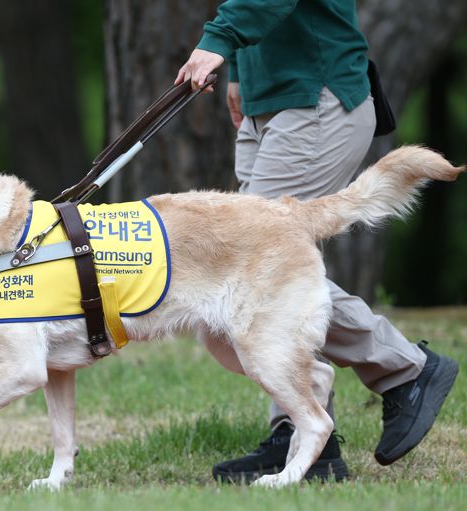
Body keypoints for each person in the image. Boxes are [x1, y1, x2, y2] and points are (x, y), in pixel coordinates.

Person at [175, 0, 459, 482]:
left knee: (250, 276)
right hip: (270, 106)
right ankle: (305, 436)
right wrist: (243, 71)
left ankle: (404, 368)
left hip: (316, 101)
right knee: (258, 278)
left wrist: (219, 42)